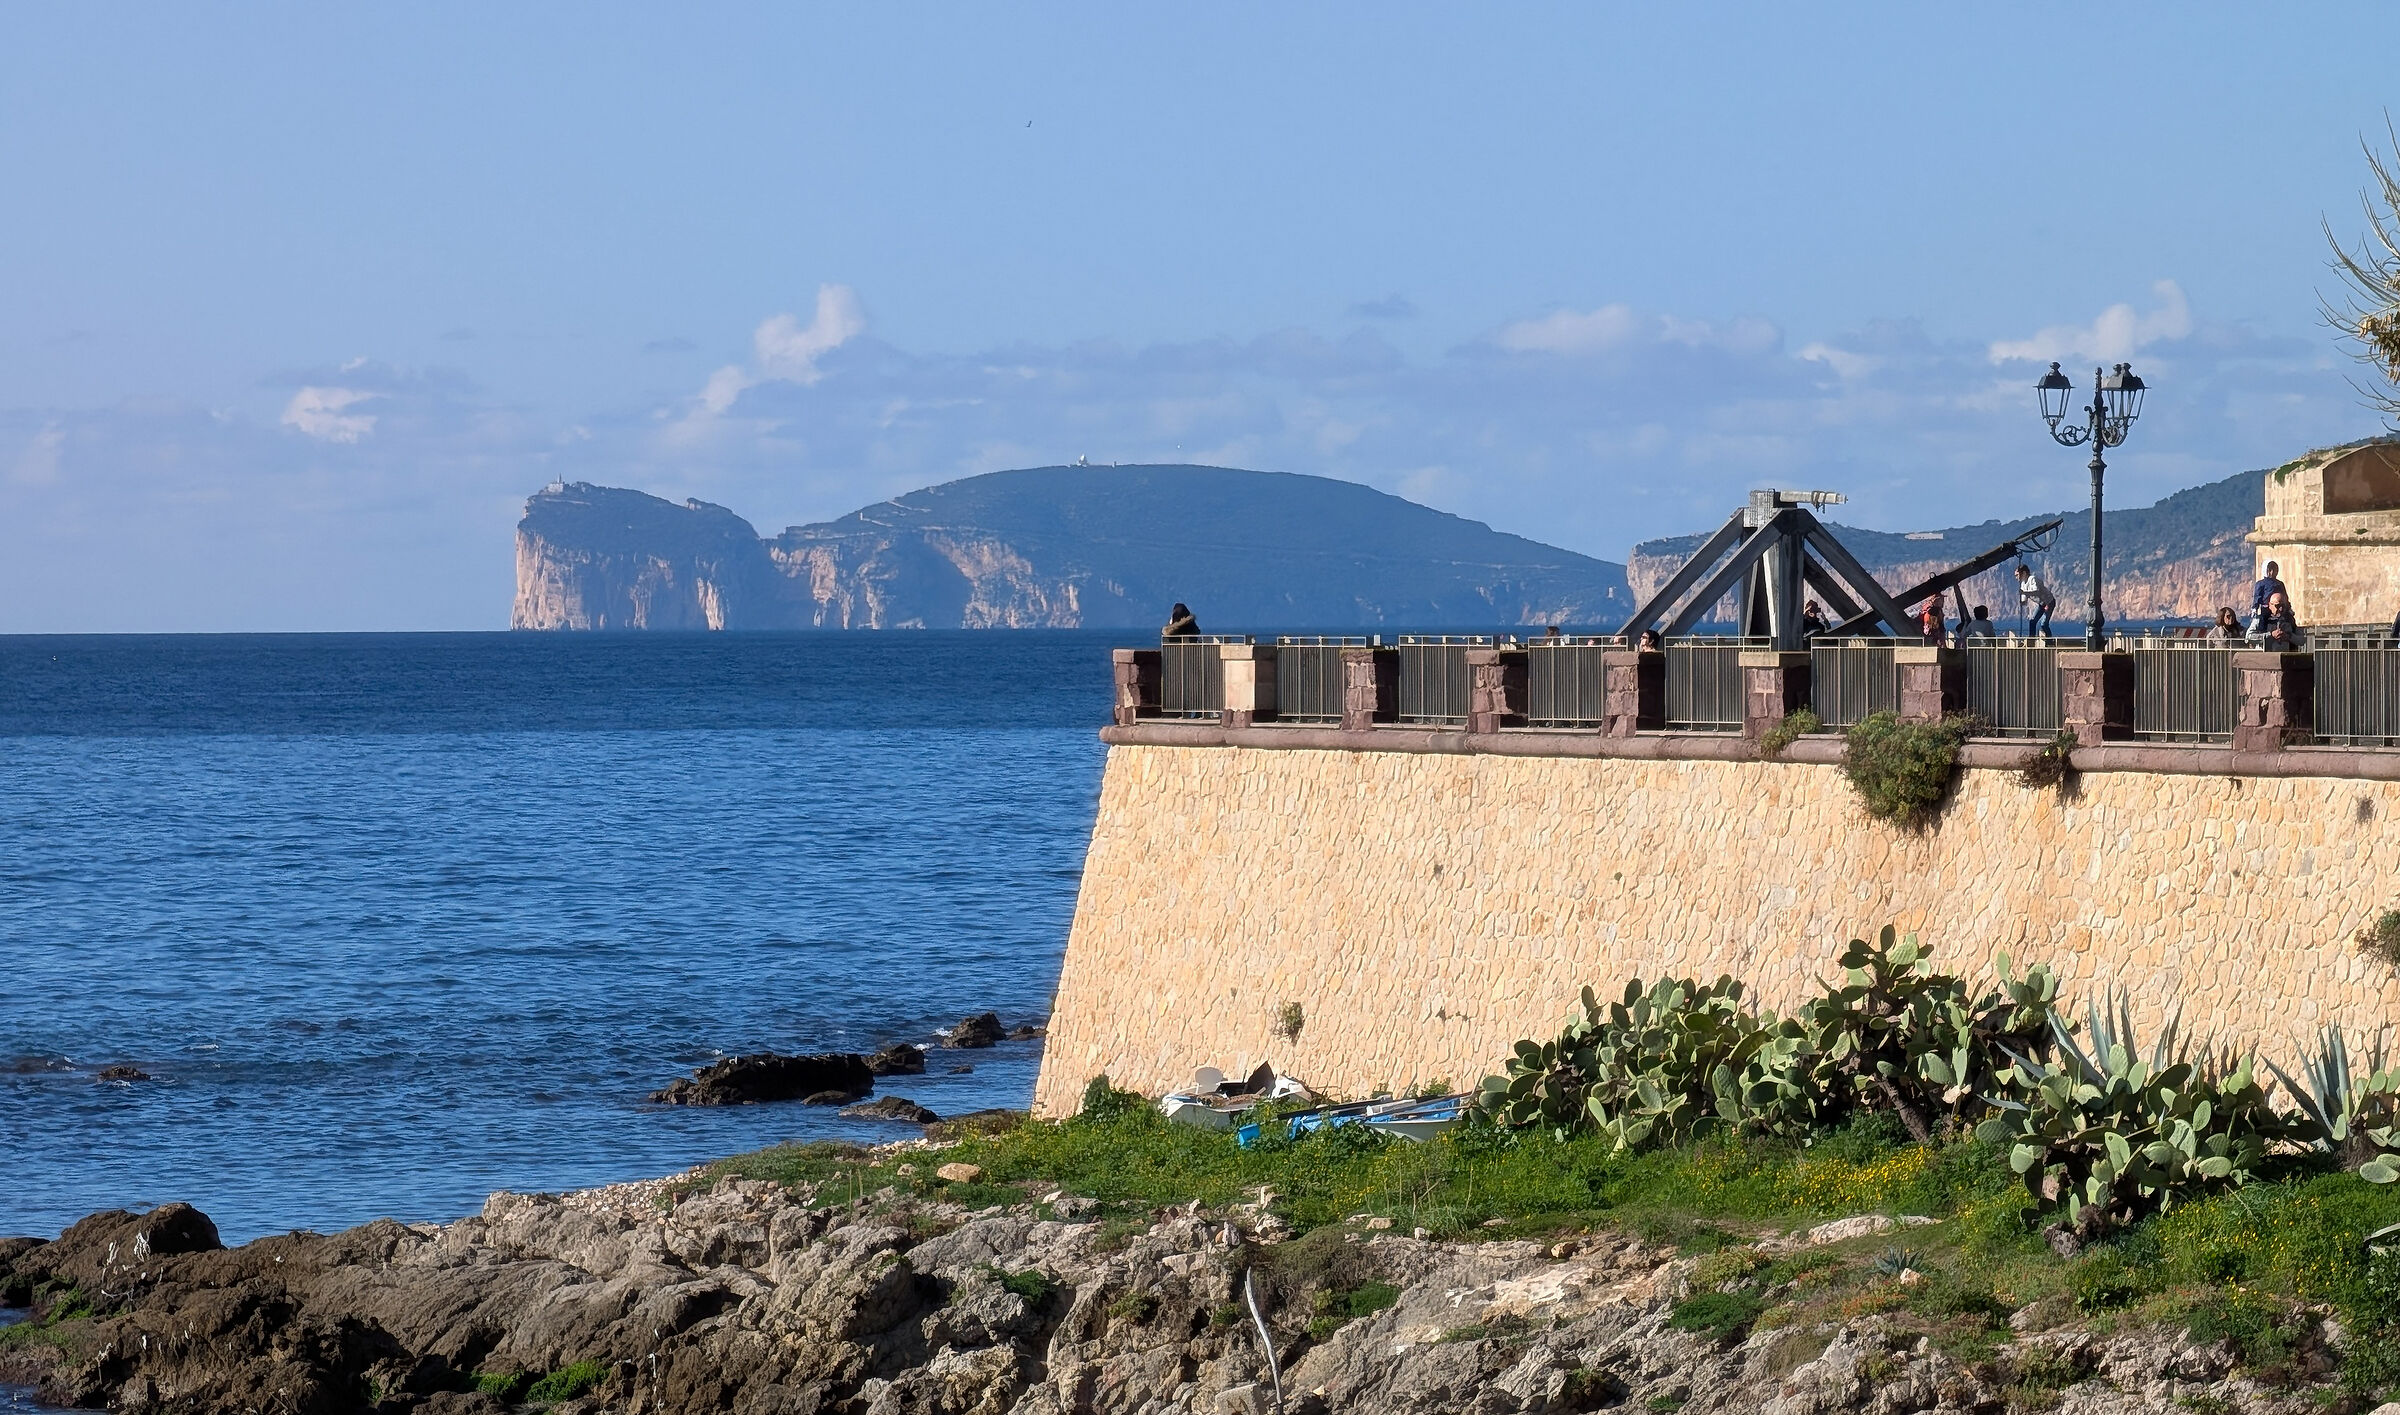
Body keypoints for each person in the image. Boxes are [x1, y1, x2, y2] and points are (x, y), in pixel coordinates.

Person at [2015, 563, 2056, 639]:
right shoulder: (2023, 584)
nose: (2016, 577)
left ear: (2024, 573)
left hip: (2049, 602)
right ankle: (2032, 639)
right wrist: (2022, 601)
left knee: (2044, 624)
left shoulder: (2033, 579)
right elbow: (2025, 599)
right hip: (2041, 604)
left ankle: (2050, 642)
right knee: (2032, 621)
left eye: (2017, 575)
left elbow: (2036, 591)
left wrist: (2024, 592)